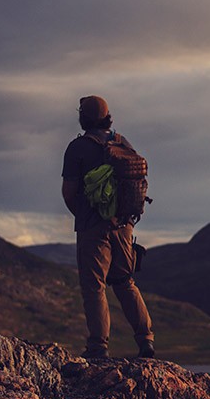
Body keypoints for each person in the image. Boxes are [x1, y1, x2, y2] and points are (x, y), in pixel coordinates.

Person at [60, 95, 155, 360]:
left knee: (94, 286)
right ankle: (146, 340)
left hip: (93, 227)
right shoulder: (123, 142)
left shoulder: (78, 148)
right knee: (124, 282)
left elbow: (69, 192)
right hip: (124, 225)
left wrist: (86, 216)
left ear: (83, 117)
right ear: (107, 117)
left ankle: (98, 347)